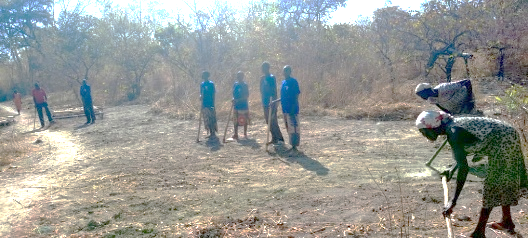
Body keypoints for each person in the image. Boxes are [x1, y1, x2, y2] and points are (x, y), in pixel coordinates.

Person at [416, 110, 528, 237]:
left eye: (423, 131)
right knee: (502, 180)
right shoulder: (452, 128)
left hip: (503, 140)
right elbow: (461, 159)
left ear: (432, 126)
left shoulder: (454, 132)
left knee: (494, 183)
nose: (423, 135)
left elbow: (464, 167)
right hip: (505, 135)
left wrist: (452, 201)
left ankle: (479, 232)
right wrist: (451, 170)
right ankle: (507, 221)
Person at [260, 62, 284, 144]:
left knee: (273, 121)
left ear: (268, 68)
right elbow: (261, 90)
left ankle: (280, 138)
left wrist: (274, 102)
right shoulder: (262, 78)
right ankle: (274, 138)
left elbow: (274, 91)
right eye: (262, 68)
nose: (262, 69)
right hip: (265, 102)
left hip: (272, 102)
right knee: (268, 121)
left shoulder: (272, 77)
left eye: (264, 68)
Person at [280, 65, 301, 151]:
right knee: (288, 126)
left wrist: (293, 107)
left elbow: (296, 94)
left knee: (294, 127)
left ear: (289, 72)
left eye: (286, 71)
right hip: (285, 108)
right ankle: (291, 144)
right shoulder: (283, 82)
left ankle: (294, 146)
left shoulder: (293, 81)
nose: (284, 72)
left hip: (292, 108)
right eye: (283, 71)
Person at [232, 71, 250, 140]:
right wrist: (233, 99)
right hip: (236, 105)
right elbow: (233, 94)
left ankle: (245, 133)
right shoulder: (235, 84)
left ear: (242, 77)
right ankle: (235, 134)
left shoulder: (245, 85)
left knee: (244, 119)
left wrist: (239, 100)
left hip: (243, 105)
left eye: (240, 76)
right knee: (235, 119)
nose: (239, 77)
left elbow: (246, 96)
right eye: (238, 76)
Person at [200, 71, 217, 137]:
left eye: (204, 75)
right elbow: (201, 93)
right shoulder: (202, 84)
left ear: (207, 76)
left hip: (210, 103)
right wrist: (200, 96)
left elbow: (213, 94)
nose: (203, 76)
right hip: (204, 103)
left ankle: (213, 132)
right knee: (206, 119)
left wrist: (213, 103)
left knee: (212, 118)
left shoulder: (211, 84)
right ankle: (209, 132)